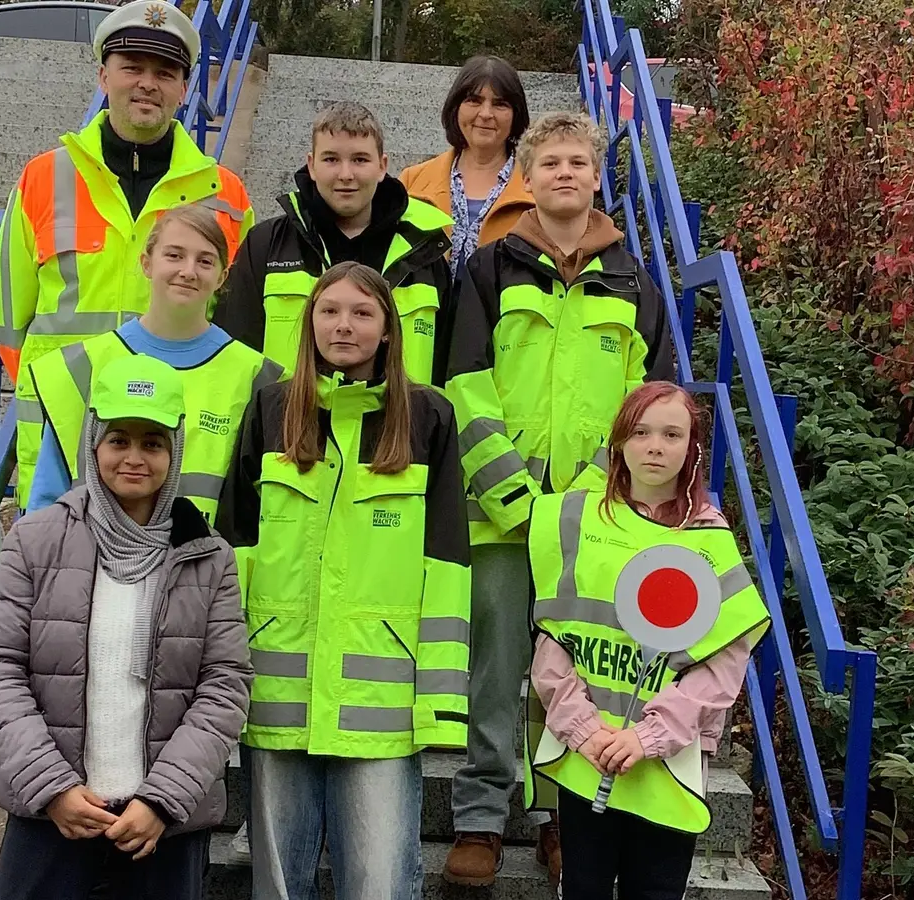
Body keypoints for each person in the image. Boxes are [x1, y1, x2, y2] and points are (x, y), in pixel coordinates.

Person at [441, 111, 676, 888]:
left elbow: (651, 403)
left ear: (596, 175)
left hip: (594, 524)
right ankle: (480, 815)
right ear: (527, 178)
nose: (565, 174)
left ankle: (558, 818)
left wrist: (602, 503)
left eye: (579, 162)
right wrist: (512, 492)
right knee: (496, 665)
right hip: (503, 515)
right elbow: (465, 386)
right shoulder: (487, 269)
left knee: (575, 671)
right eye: (549, 164)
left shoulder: (634, 281)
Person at [215, 262, 472, 900]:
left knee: (382, 886)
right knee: (277, 887)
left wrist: (437, 706)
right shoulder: (272, 408)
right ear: (309, 322)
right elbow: (235, 549)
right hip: (278, 692)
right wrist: (222, 678)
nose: (344, 325)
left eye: (362, 313)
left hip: (381, 709)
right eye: (329, 310)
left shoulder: (428, 417)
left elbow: (445, 569)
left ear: (388, 329)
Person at [0, 353, 252, 900]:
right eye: (118, 439)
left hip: (160, 832)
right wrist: (52, 789)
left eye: (153, 442)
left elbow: (224, 686)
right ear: (93, 441)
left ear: (176, 448)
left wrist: (162, 801)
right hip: (49, 820)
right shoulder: (36, 539)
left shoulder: (209, 556)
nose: (134, 458)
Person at [0, 0, 256, 506]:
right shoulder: (44, 177)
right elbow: (8, 316)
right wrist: (53, 387)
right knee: (59, 574)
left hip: (172, 434)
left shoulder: (229, 196)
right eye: (132, 67)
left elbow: (236, 324)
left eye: (165, 72)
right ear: (103, 76)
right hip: (63, 431)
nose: (147, 83)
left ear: (184, 87)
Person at [523, 382, 770, 900]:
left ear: (692, 449)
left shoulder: (708, 535)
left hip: (667, 761)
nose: (655, 446)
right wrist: (583, 728)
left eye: (671, 434)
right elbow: (551, 636)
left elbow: (726, 659)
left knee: (655, 889)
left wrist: (650, 735)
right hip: (584, 754)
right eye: (641, 432)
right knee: (582, 888)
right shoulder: (573, 520)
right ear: (618, 442)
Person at [25, 204, 283, 520]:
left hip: (209, 565)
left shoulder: (260, 377)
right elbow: (47, 501)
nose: (188, 271)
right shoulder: (81, 367)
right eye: (174, 255)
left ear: (222, 276)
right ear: (146, 263)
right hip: (94, 563)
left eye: (205, 261)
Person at [213, 102, 454, 386]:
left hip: (400, 428)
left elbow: (443, 369)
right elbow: (233, 355)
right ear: (311, 165)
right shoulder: (266, 246)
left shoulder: (422, 251)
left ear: (382, 166)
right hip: (286, 425)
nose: (345, 174)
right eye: (331, 159)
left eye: (360, 160)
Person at [400, 55, 536, 275]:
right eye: (474, 100)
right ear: (456, 107)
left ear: (516, 114)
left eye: (500, 104)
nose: (485, 114)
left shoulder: (537, 190)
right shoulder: (412, 182)